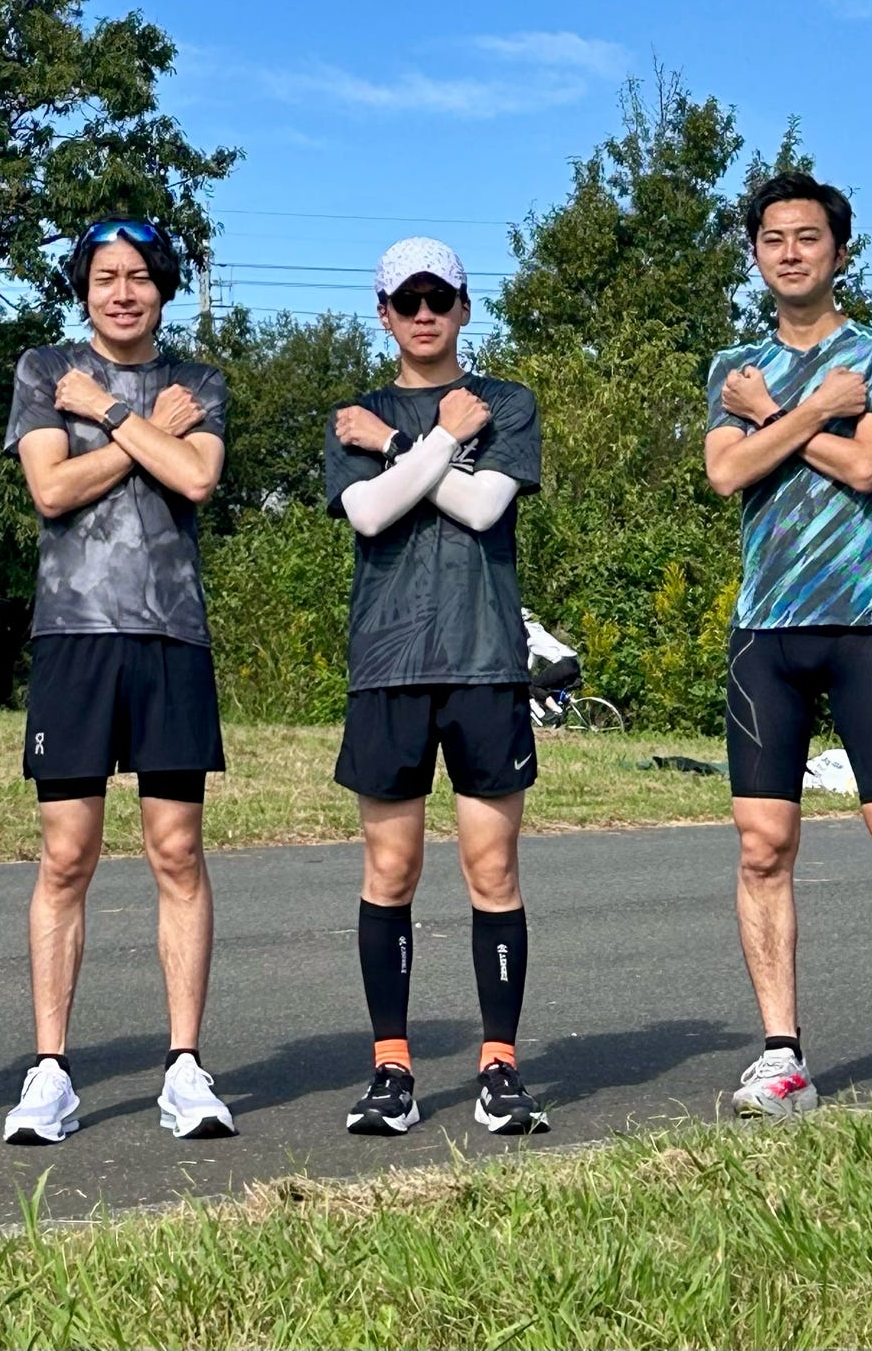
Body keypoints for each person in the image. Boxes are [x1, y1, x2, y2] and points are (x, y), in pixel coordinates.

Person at [703, 171, 872, 1112]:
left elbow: (864, 466)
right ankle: (783, 1057)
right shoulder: (733, 367)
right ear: (756, 255)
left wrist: (774, 416)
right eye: (773, 239)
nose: (790, 252)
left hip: (864, 629)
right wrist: (810, 410)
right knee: (762, 847)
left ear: (839, 251)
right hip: (764, 635)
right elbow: (726, 474)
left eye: (808, 237)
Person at [0, 219, 235, 1146]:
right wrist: (140, 430)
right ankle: (50, 1070)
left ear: (163, 288)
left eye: (139, 276)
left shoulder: (198, 382)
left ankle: (185, 1067)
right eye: (105, 278)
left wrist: (107, 414)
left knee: (176, 851)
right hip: (74, 636)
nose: (123, 292)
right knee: (67, 855)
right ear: (85, 289)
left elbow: (198, 479)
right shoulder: (45, 370)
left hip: (171, 636)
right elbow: (50, 492)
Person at [326, 237, 548, 1138]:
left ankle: (500, 1067)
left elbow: (485, 508)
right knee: (392, 870)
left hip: (486, 661)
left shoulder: (505, 403)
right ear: (383, 314)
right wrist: (446, 441)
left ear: (464, 307)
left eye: (439, 298)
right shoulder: (354, 410)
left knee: (492, 870)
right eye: (407, 301)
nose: (424, 314)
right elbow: (370, 512)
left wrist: (401, 446)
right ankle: (393, 1070)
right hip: (388, 665)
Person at [523, 610, 580, 724]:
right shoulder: (537, 628)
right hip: (573, 661)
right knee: (547, 685)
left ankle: (558, 712)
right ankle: (559, 710)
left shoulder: (528, 636)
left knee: (534, 685)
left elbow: (530, 664)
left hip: (563, 663)